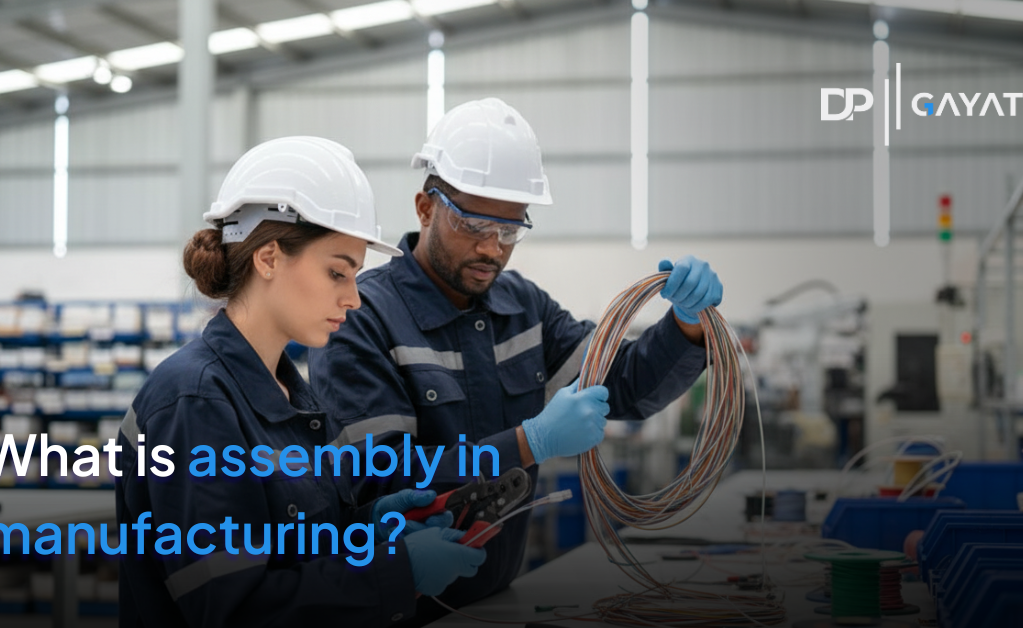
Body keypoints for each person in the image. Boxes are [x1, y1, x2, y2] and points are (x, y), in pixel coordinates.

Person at [308, 99, 725, 623]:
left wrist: (685, 324)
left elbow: (624, 386)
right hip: (397, 606)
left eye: (510, 231)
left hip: (498, 598)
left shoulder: (522, 307)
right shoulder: (362, 318)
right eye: (473, 225)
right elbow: (381, 476)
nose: (492, 249)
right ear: (425, 207)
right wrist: (528, 443)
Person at [115, 136, 486, 627]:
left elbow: (294, 546)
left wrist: (369, 529)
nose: (353, 298)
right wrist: (398, 572)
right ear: (268, 258)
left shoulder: (294, 398)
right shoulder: (195, 401)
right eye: (338, 273)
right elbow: (231, 608)